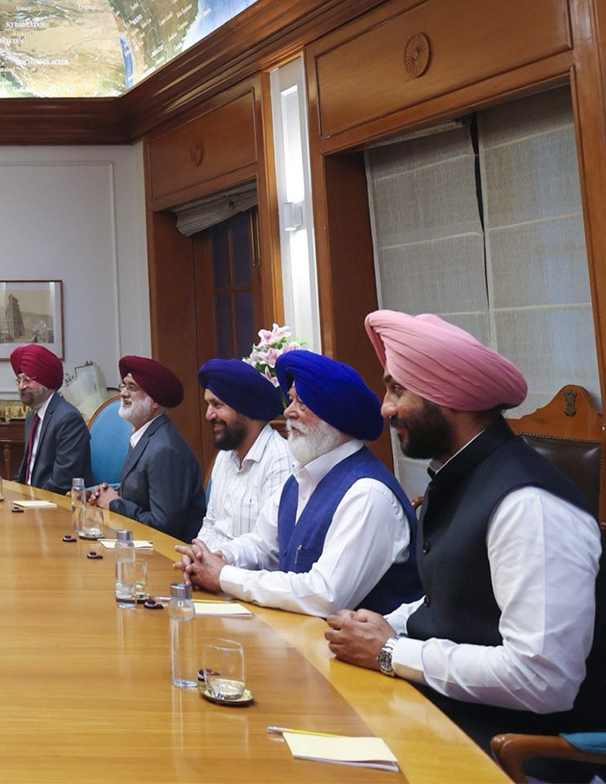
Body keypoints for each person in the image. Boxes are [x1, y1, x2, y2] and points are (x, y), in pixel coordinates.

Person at [325, 310, 605, 753]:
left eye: (397, 389)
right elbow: (456, 596)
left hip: (514, 754)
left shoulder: (527, 504)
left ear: (448, 396)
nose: (385, 408)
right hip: (443, 719)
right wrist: (382, 626)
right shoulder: (454, 475)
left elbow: (543, 679)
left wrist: (391, 652)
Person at [178, 349, 421, 616]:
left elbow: (324, 595)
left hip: (357, 654)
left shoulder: (368, 494)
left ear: (334, 415)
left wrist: (224, 576)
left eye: (301, 403)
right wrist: (217, 557)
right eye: (290, 400)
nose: (287, 412)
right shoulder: (301, 477)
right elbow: (262, 544)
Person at [89, 356, 206, 541]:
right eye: (123, 386)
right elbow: (141, 495)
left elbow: (164, 528)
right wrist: (107, 494)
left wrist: (115, 504)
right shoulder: (144, 434)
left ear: (155, 402)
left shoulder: (164, 450)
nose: (123, 394)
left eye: (132, 388)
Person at [194, 358, 294, 547]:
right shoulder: (225, 455)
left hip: (244, 574)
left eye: (217, 404)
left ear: (246, 408)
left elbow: (270, 546)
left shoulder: (280, 459)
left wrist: (216, 564)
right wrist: (197, 556)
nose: (209, 414)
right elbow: (211, 523)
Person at [9, 343, 90, 494]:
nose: (21, 386)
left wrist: (31, 499)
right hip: (30, 500)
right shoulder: (32, 416)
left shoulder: (68, 419)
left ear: (46, 382)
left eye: (27, 380)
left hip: (53, 504)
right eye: (19, 380)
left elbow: (62, 482)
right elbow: (26, 470)